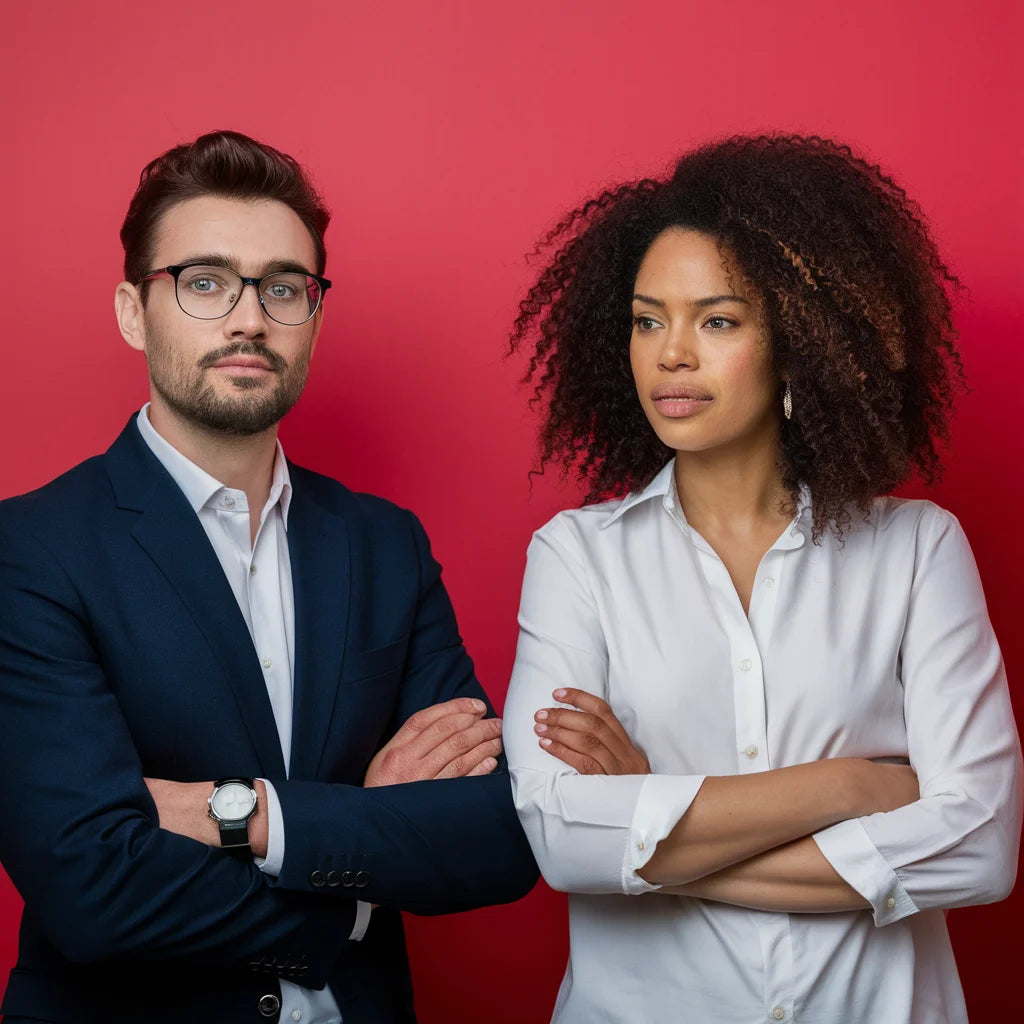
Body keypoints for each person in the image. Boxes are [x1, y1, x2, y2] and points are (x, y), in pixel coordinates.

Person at [0, 130, 536, 1024]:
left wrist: (245, 815)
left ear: (314, 316)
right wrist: (361, 878)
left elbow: (495, 838)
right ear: (135, 311)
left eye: (283, 288)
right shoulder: (31, 549)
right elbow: (89, 886)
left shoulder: (383, 545)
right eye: (206, 283)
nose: (249, 318)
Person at [503, 134, 1022, 1023]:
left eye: (718, 320)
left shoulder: (917, 550)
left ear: (798, 341)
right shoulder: (575, 557)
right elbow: (561, 839)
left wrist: (653, 828)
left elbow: (979, 849)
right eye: (646, 318)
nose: (670, 353)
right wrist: (851, 788)